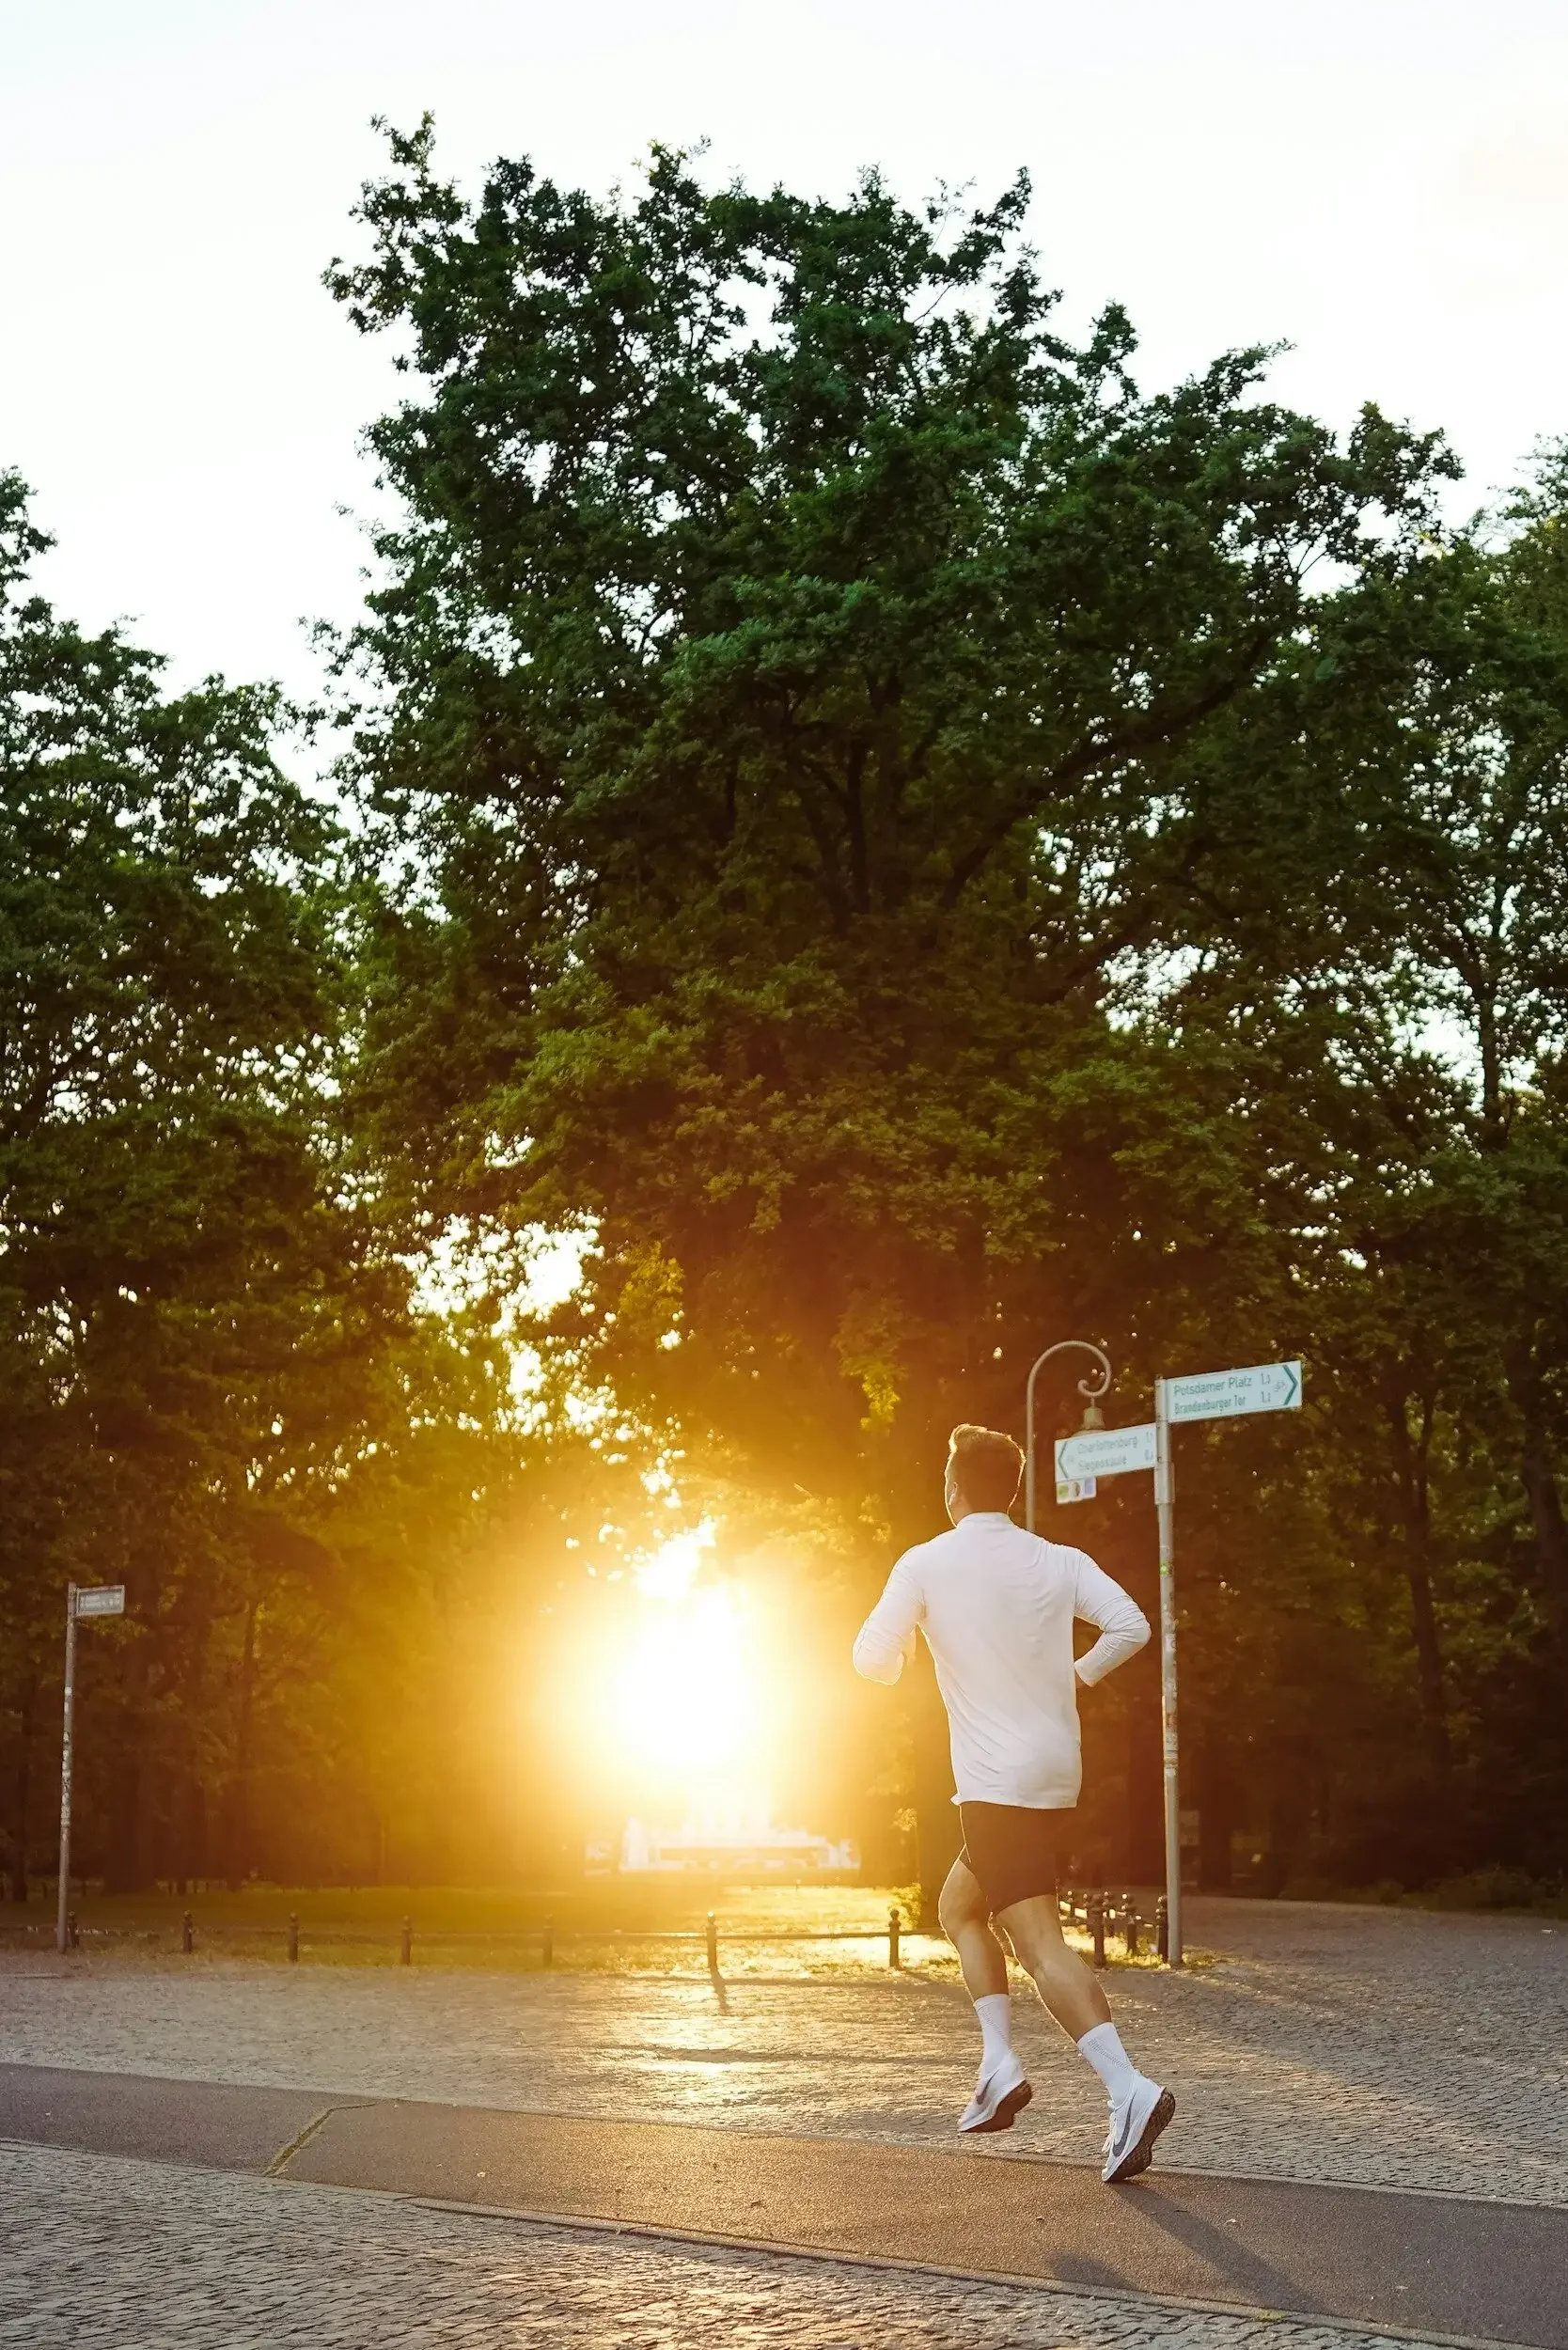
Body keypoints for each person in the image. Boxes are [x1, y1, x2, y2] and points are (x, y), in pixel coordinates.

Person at [853, 1421, 1174, 2185]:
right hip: (1051, 1773)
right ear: (1014, 1490)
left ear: (951, 1486)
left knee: (1037, 1941)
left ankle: (1129, 2089)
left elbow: (871, 1659)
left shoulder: (926, 1562)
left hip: (994, 1780)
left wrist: (902, 1656)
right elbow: (1131, 1625)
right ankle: (998, 2064)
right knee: (960, 1908)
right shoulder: (1058, 1559)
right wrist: (1079, 1676)